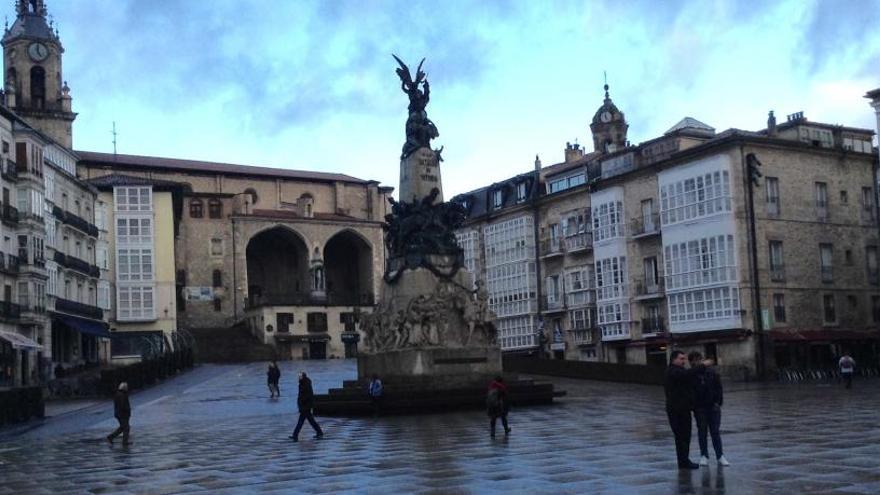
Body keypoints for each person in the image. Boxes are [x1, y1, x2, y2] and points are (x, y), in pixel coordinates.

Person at [689, 352, 730, 467]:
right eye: (695, 360)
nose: (698, 362)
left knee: (715, 431)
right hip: (700, 407)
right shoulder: (692, 375)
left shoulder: (711, 372)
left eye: (699, 359)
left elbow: (718, 387)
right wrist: (693, 406)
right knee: (702, 431)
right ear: (691, 362)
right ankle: (704, 455)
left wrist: (718, 402)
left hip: (713, 406)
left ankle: (720, 455)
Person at [665, 350, 698, 469]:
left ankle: (684, 460)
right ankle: (683, 461)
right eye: (681, 359)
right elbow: (686, 375)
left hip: (684, 409)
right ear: (674, 359)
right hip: (676, 410)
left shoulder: (680, 371)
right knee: (680, 437)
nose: (684, 361)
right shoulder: (672, 371)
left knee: (686, 436)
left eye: (684, 359)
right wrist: (702, 366)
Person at [289, 372, 323, 442]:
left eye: (300, 376)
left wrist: (303, 403)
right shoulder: (302, 383)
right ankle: (319, 432)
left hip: (306, 406)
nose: (298, 377)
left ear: (303, 376)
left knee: (301, 422)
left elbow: (308, 396)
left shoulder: (306, 384)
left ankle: (295, 435)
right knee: (311, 421)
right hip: (304, 406)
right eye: (298, 376)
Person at [107, 382, 131, 446]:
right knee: (126, 428)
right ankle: (125, 442)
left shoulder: (118, 394)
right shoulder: (122, 395)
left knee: (122, 427)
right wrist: (127, 410)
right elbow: (123, 405)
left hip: (119, 414)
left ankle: (111, 437)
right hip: (123, 414)